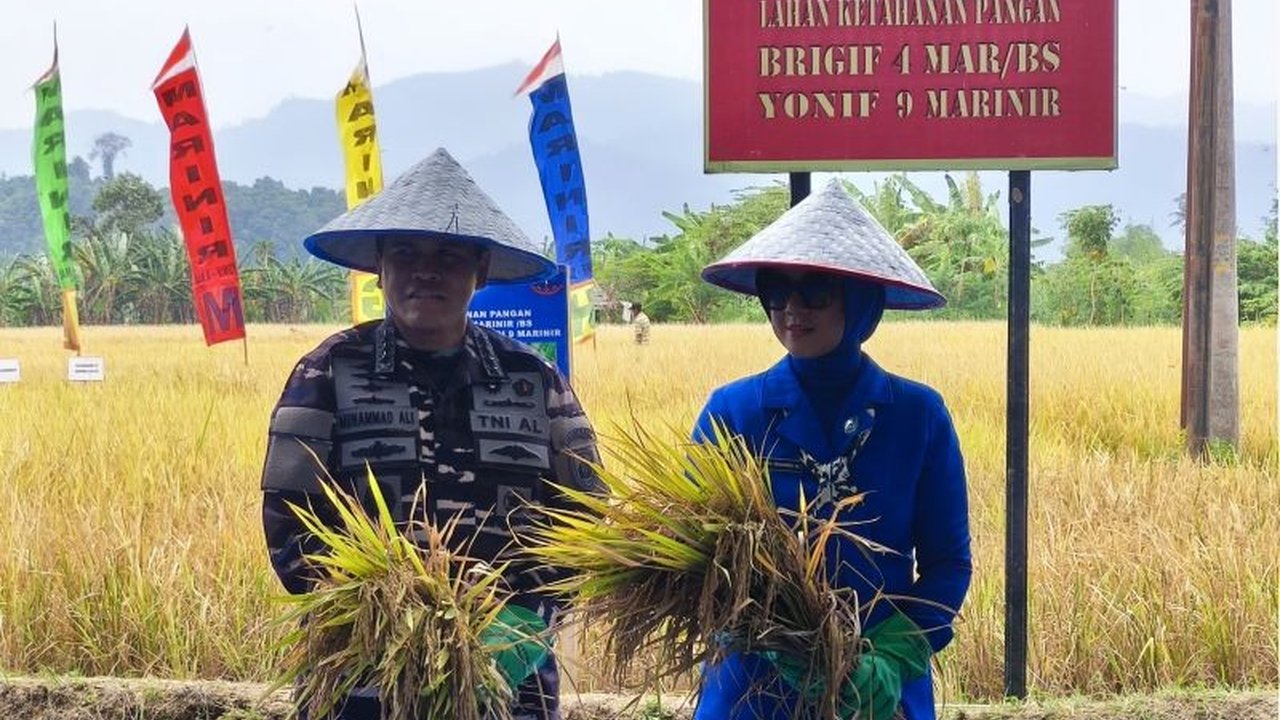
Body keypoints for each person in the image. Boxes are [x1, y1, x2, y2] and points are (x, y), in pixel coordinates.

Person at [260, 148, 601, 720]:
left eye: (447, 255)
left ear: (481, 271)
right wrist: (375, 620)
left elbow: (585, 517)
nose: (426, 270)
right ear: (380, 266)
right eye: (406, 254)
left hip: (508, 677)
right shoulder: (328, 371)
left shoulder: (533, 380)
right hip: (363, 678)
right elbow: (289, 521)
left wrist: (523, 623)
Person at [690, 179, 972, 720]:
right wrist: (770, 633)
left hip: (877, 693)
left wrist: (890, 656)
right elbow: (695, 560)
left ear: (862, 299)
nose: (792, 307)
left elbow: (947, 564)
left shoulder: (918, 416)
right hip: (753, 687)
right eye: (776, 289)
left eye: (816, 288)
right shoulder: (733, 413)